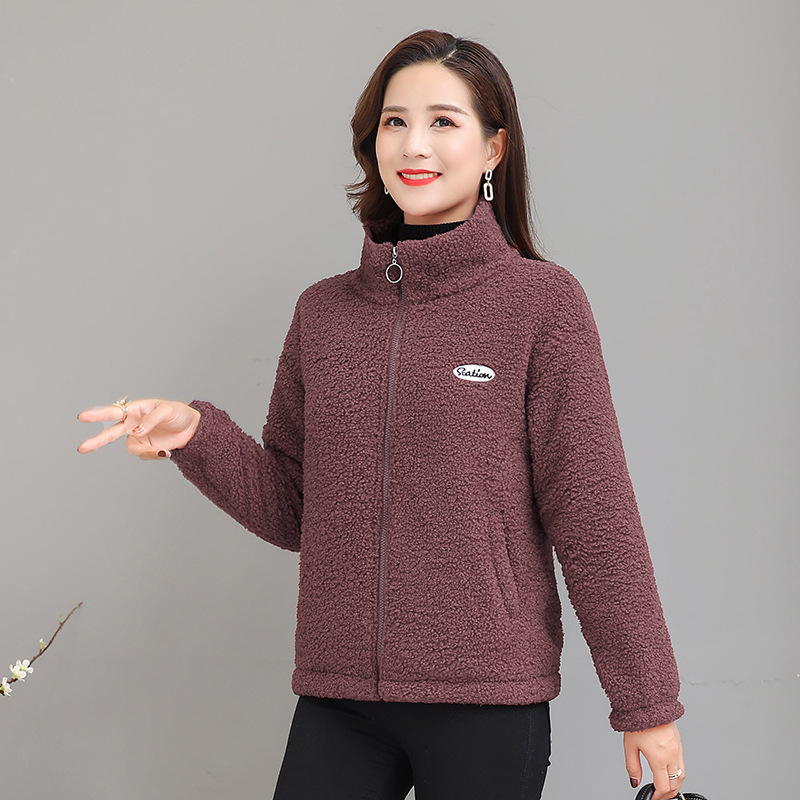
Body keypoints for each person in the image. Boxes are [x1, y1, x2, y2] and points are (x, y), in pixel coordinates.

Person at [78, 29, 686, 800]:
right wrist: (196, 436)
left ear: (493, 148)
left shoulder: (542, 304)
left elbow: (595, 516)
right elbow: (294, 510)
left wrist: (646, 703)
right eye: (395, 121)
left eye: (443, 121)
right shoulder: (324, 312)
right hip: (339, 698)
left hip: (485, 699)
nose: (413, 144)